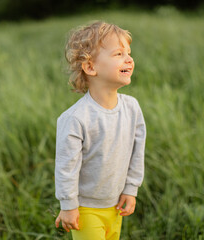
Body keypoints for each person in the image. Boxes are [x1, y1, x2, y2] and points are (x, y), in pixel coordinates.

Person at [54, 20, 146, 240]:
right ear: (90, 67)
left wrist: (131, 189)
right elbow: (67, 166)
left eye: (129, 53)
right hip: (85, 209)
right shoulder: (75, 118)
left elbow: (137, 152)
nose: (129, 59)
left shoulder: (131, 108)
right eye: (118, 54)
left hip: (116, 206)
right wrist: (68, 205)